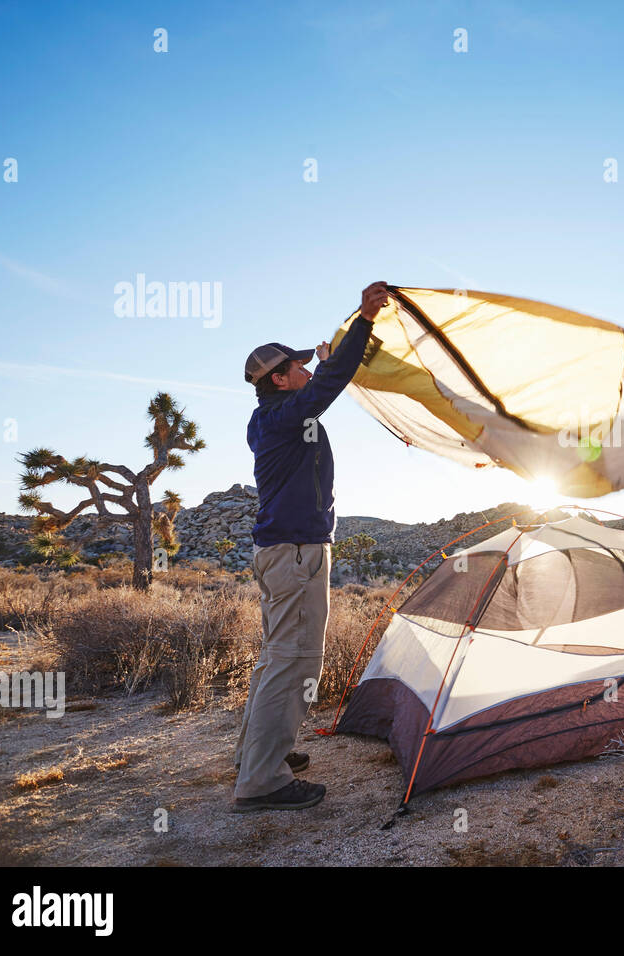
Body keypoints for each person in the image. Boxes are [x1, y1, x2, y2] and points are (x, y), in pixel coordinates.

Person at [232, 281, 392, 812]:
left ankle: (256, 754)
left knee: (275, 658)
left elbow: (321, 384)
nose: (305, 369)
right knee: (295, 661)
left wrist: (330, 358)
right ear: (279, 380)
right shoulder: (283, 417)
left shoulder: (277, 417)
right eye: (295, 367)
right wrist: (365, 320)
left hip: (285, 554)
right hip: (296, 555)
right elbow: (325, 388)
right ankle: (262, 780)